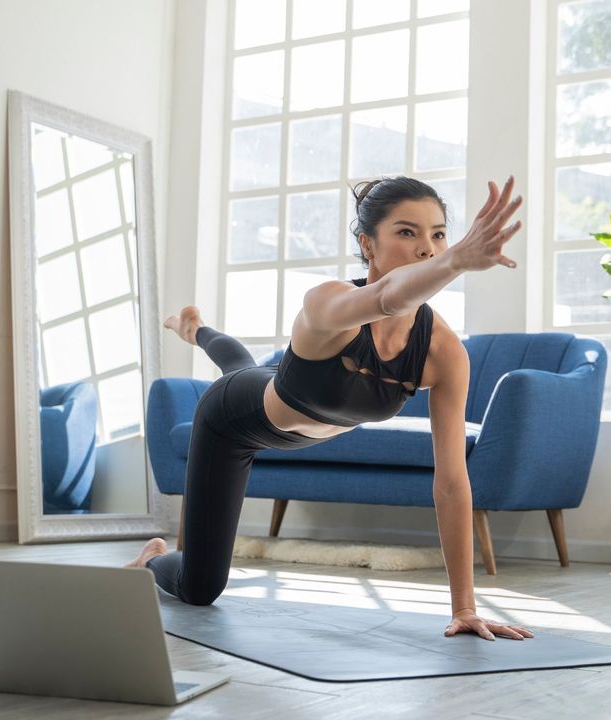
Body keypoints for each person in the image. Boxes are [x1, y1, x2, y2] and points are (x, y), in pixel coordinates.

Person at [127, 175, 533, 642]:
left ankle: (194, 328)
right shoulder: (327, 303)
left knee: (240, 364)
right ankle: (153, 557)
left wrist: (464, 607)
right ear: (368, 244)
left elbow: (451, 481)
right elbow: (385, 298)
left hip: (281, 400)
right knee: (199, 589)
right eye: (407, 232)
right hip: (233, 422)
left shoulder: (442, 351)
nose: (428, 248)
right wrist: (458, 259)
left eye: (439, 234)